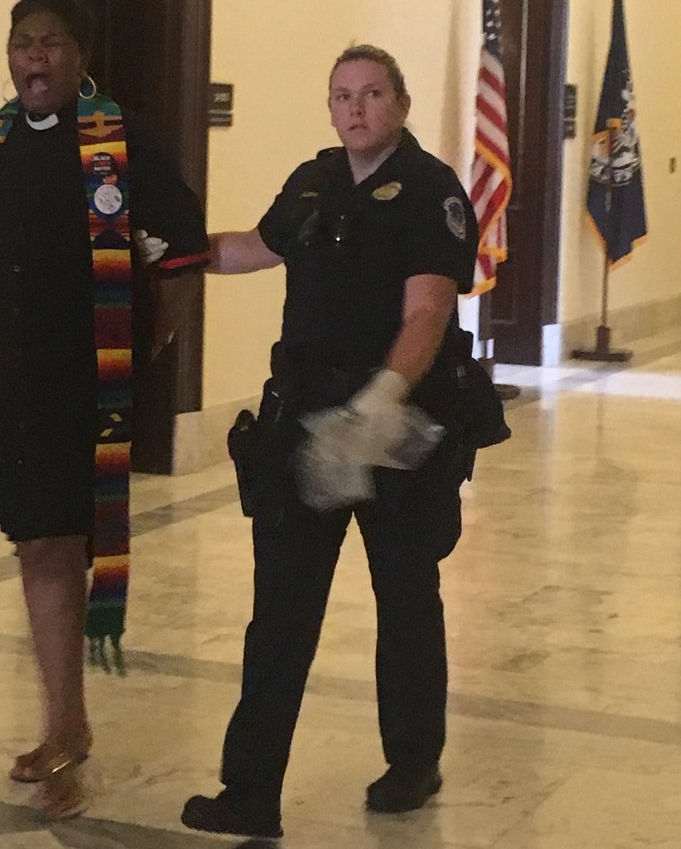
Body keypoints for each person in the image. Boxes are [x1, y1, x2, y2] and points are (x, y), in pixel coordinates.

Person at [0, 0, 207, 821]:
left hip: (82, 379)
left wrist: (148, 348)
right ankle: (66, 721)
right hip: (7, 377)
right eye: (22, 43)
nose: (35, 57)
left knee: (59, 543)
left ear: (81, 55)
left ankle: (66, 728)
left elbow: (182, 251)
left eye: (53, 43)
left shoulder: (119, 139)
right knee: (36, 541)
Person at [181, 45, 480, 840]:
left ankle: (412, 761)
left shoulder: (432, 192)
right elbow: (257, 246)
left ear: (402, 104)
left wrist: (382, 399)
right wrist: (175, 252)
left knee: (405, 597)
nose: (356, 109)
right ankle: (250, 789)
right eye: (343, 96)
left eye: (373, 94)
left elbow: (428, 310)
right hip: (307, 425)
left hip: (395, 429)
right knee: (280, 610)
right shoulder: (313, 180)